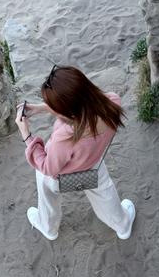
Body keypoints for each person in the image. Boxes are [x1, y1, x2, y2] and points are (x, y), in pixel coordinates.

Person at [15, 65, 136, 240]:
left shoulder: (64, 138)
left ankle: (48, 227)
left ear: (66, 110)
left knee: (44, 184)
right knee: (105, 194)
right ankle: (123, 226)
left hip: (61, 179)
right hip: (93, 165)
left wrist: (26, 135)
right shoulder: (112, 104)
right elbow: (79, 108)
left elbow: (47, 167)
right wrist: (43, 108)